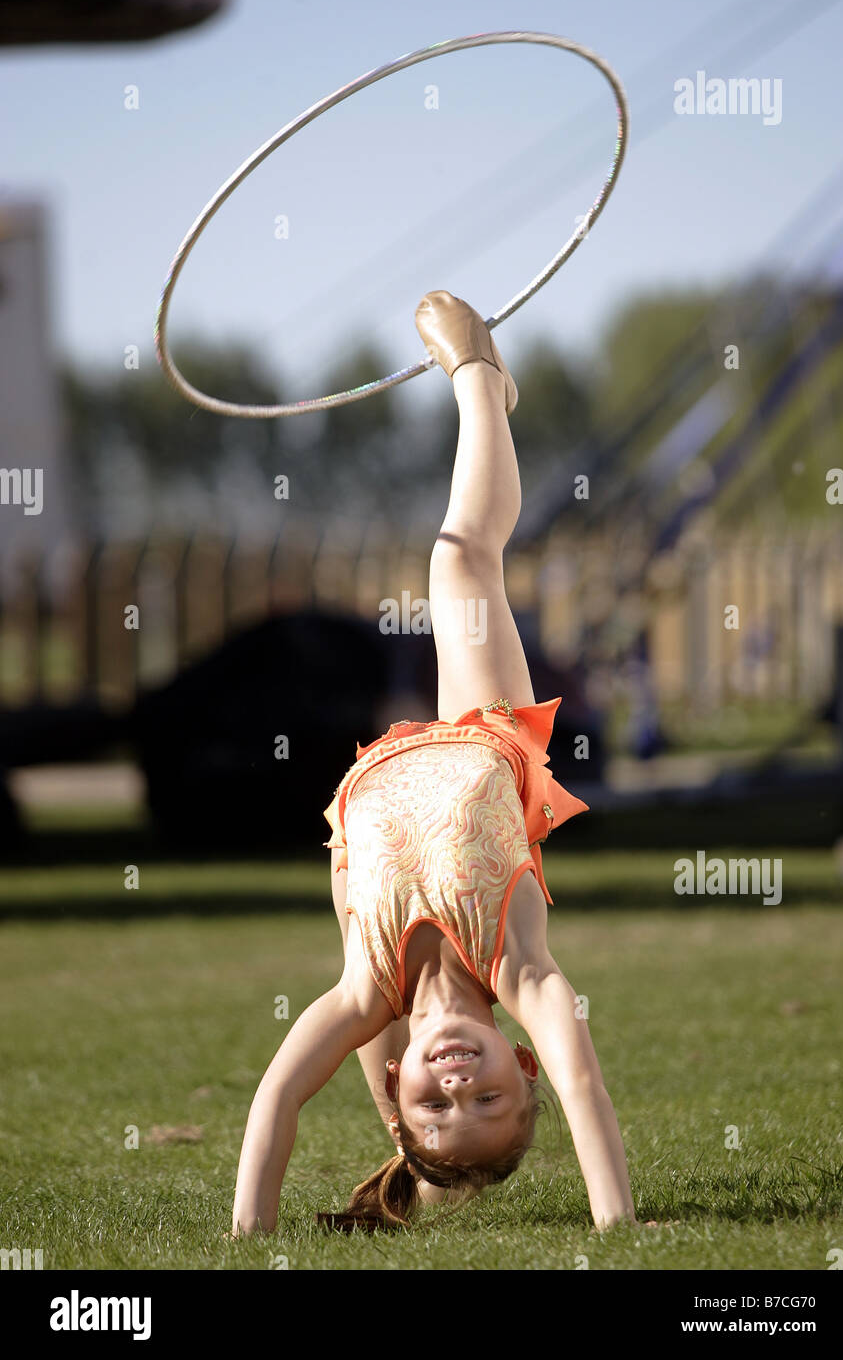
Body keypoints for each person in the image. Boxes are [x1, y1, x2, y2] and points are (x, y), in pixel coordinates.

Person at [231, 292, 637, 1236]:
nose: (460, 1088)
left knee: (448, 559)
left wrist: (246, 1241)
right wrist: (616, 1225)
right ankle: (482, 383)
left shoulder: (361, 990)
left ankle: (488, 389)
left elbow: (277, 1101)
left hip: (406, 755)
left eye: (435, 1106)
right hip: (487, 738)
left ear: (397, 1073)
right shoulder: (523, 973)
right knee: (459, 560)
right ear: (520, 1061)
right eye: (490, 1101)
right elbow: (582, 1079)